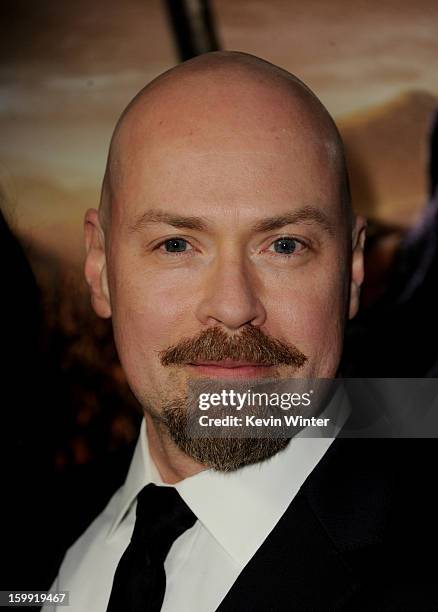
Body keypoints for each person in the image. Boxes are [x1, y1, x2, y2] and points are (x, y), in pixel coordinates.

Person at [44, 51, 437, 611]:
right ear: (100, 266)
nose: (233, 307)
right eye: (176, 245)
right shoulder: (30, 534)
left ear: (352, 270)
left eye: (284, 246)